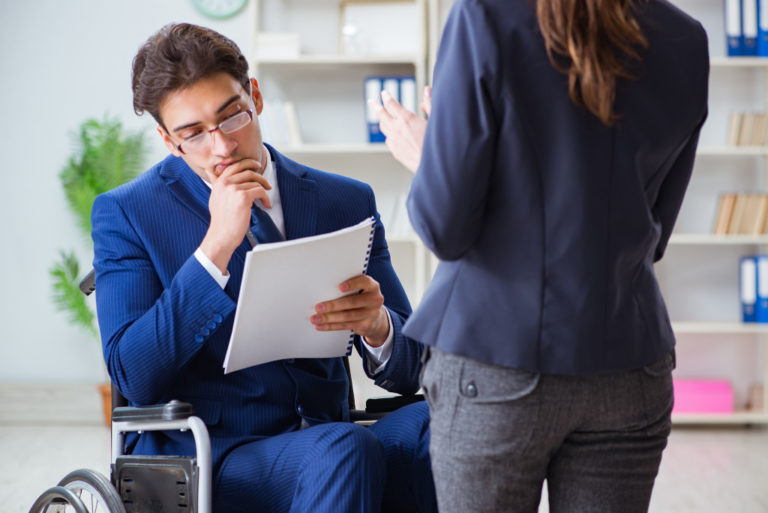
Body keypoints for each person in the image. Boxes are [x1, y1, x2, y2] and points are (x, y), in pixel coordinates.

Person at [372, 0, 708, 511]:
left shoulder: (484, 16)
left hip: (496, 362)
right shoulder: (685, 37)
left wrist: (429, 155)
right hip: (629, 363)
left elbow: (446, 228)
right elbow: (654, 233)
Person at [91, 23, 436, 513]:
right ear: (169, 141)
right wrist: (215, 249)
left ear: (254, 97)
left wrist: (378, 326)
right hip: (214, 455)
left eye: (231, 117)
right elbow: (133, 375)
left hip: (328, 435)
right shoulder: (129, 213)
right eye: (194, 134)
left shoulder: (345, 200)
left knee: (443, 422)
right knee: (344, 449)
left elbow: (411, 370)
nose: (222, 147)